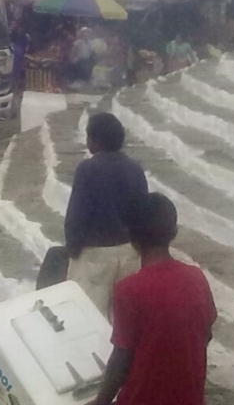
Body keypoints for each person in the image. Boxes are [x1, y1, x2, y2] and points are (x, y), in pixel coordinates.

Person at [91, 192, 216, 405]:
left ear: (131, 236)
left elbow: (122, 358)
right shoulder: (197, 278)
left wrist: (101, 401)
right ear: (173, 233)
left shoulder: (129, 289)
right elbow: (205, 334)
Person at [64, 112, 148, 318]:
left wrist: (73, 248)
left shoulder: (87, 169)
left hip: (95, 255)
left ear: (96, 141)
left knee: (89, 316)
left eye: (88, 137)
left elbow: (77, 215)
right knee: (122, 317)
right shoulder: (135, 169)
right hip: (129, 252)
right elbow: (143, 210)